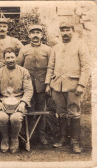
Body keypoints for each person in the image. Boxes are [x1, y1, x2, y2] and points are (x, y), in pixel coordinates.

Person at [45, 21, 91, 154]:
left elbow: (86, 67)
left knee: (74, 113)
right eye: (62, 30)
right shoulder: (56, 47)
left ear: (73, 31)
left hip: (74, 86)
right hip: (57, 86)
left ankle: (75, 141)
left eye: (67, 30)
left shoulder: (80, 46)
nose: (65, 33)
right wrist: (48, 84)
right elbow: (50, 67)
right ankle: (62, 138)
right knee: (61, 113)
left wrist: (81, 84)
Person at [0, 48, 33, 153]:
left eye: (12, 57)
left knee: (16, 118)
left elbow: (29, 90)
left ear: (16, 57)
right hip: (3, 102)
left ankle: (14, 139)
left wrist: (23, 103)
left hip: (19, 102)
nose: (10, 60)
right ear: (4, 59)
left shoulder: (23, 71)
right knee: (3, 118)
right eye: (7, 58)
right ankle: (5, 139)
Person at [17, 25, 52, 145]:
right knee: (28, 110)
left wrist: (48, 84)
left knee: (42, 111)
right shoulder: (24, 49)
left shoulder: (48, 50)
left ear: (42, 35)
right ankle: (29, 135)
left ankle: (41, 135)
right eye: (33, 33)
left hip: (42, 86)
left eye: (38, 32)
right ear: (29, 35)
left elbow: (51, 68)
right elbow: (19, 68)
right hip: (27, 86)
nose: (35, 35)